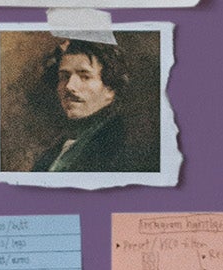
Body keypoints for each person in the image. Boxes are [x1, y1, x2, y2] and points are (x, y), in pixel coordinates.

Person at [28, 35, 157, 177]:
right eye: (64, 77)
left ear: (110, 88)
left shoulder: (123, 148)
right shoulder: (56, 150)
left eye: (85, 76)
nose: (69, 86)